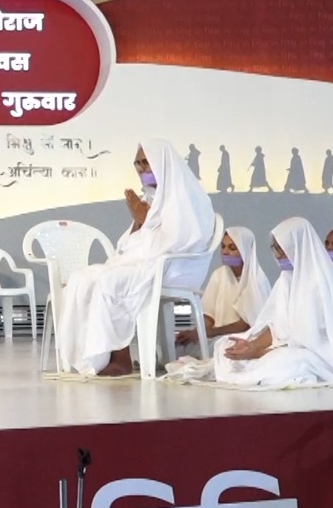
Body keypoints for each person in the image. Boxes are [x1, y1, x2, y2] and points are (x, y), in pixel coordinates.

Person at [57, 140, 215, 376]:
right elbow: (129, 244)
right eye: (138, 164)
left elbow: (178, 244)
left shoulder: (189, 198)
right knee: (82, 278)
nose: (142, 169)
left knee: (112, 281)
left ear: (163, 163)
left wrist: (146, 219)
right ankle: (91, 359)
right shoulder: (151, 197)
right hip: (144, 261)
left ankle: (121, 359)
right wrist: (140, 221)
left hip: (176, 266)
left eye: (146, 163)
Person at [213, 217, 333, 387]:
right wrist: (251, 345)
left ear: (297, 247)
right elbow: (276, 325)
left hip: (321, 353)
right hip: (287, 346)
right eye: (275, 248)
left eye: (282, 249)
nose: (277, 255)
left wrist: (261, 352)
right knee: (224, 346)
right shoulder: (285, 279)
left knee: (290, 361)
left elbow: (311, 339)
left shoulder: (320, 282)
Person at [174, 226, 271, 356]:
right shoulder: (218, 275)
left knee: (226, 349)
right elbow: (209, 315)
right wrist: (197, 333)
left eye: (232, 248)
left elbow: (247, 324)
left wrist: (212, 332)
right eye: (223, 247)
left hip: (244, 337)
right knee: (178, 347)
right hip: (217, 336)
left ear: (245, 250)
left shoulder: (256, 280)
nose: (225, 252)